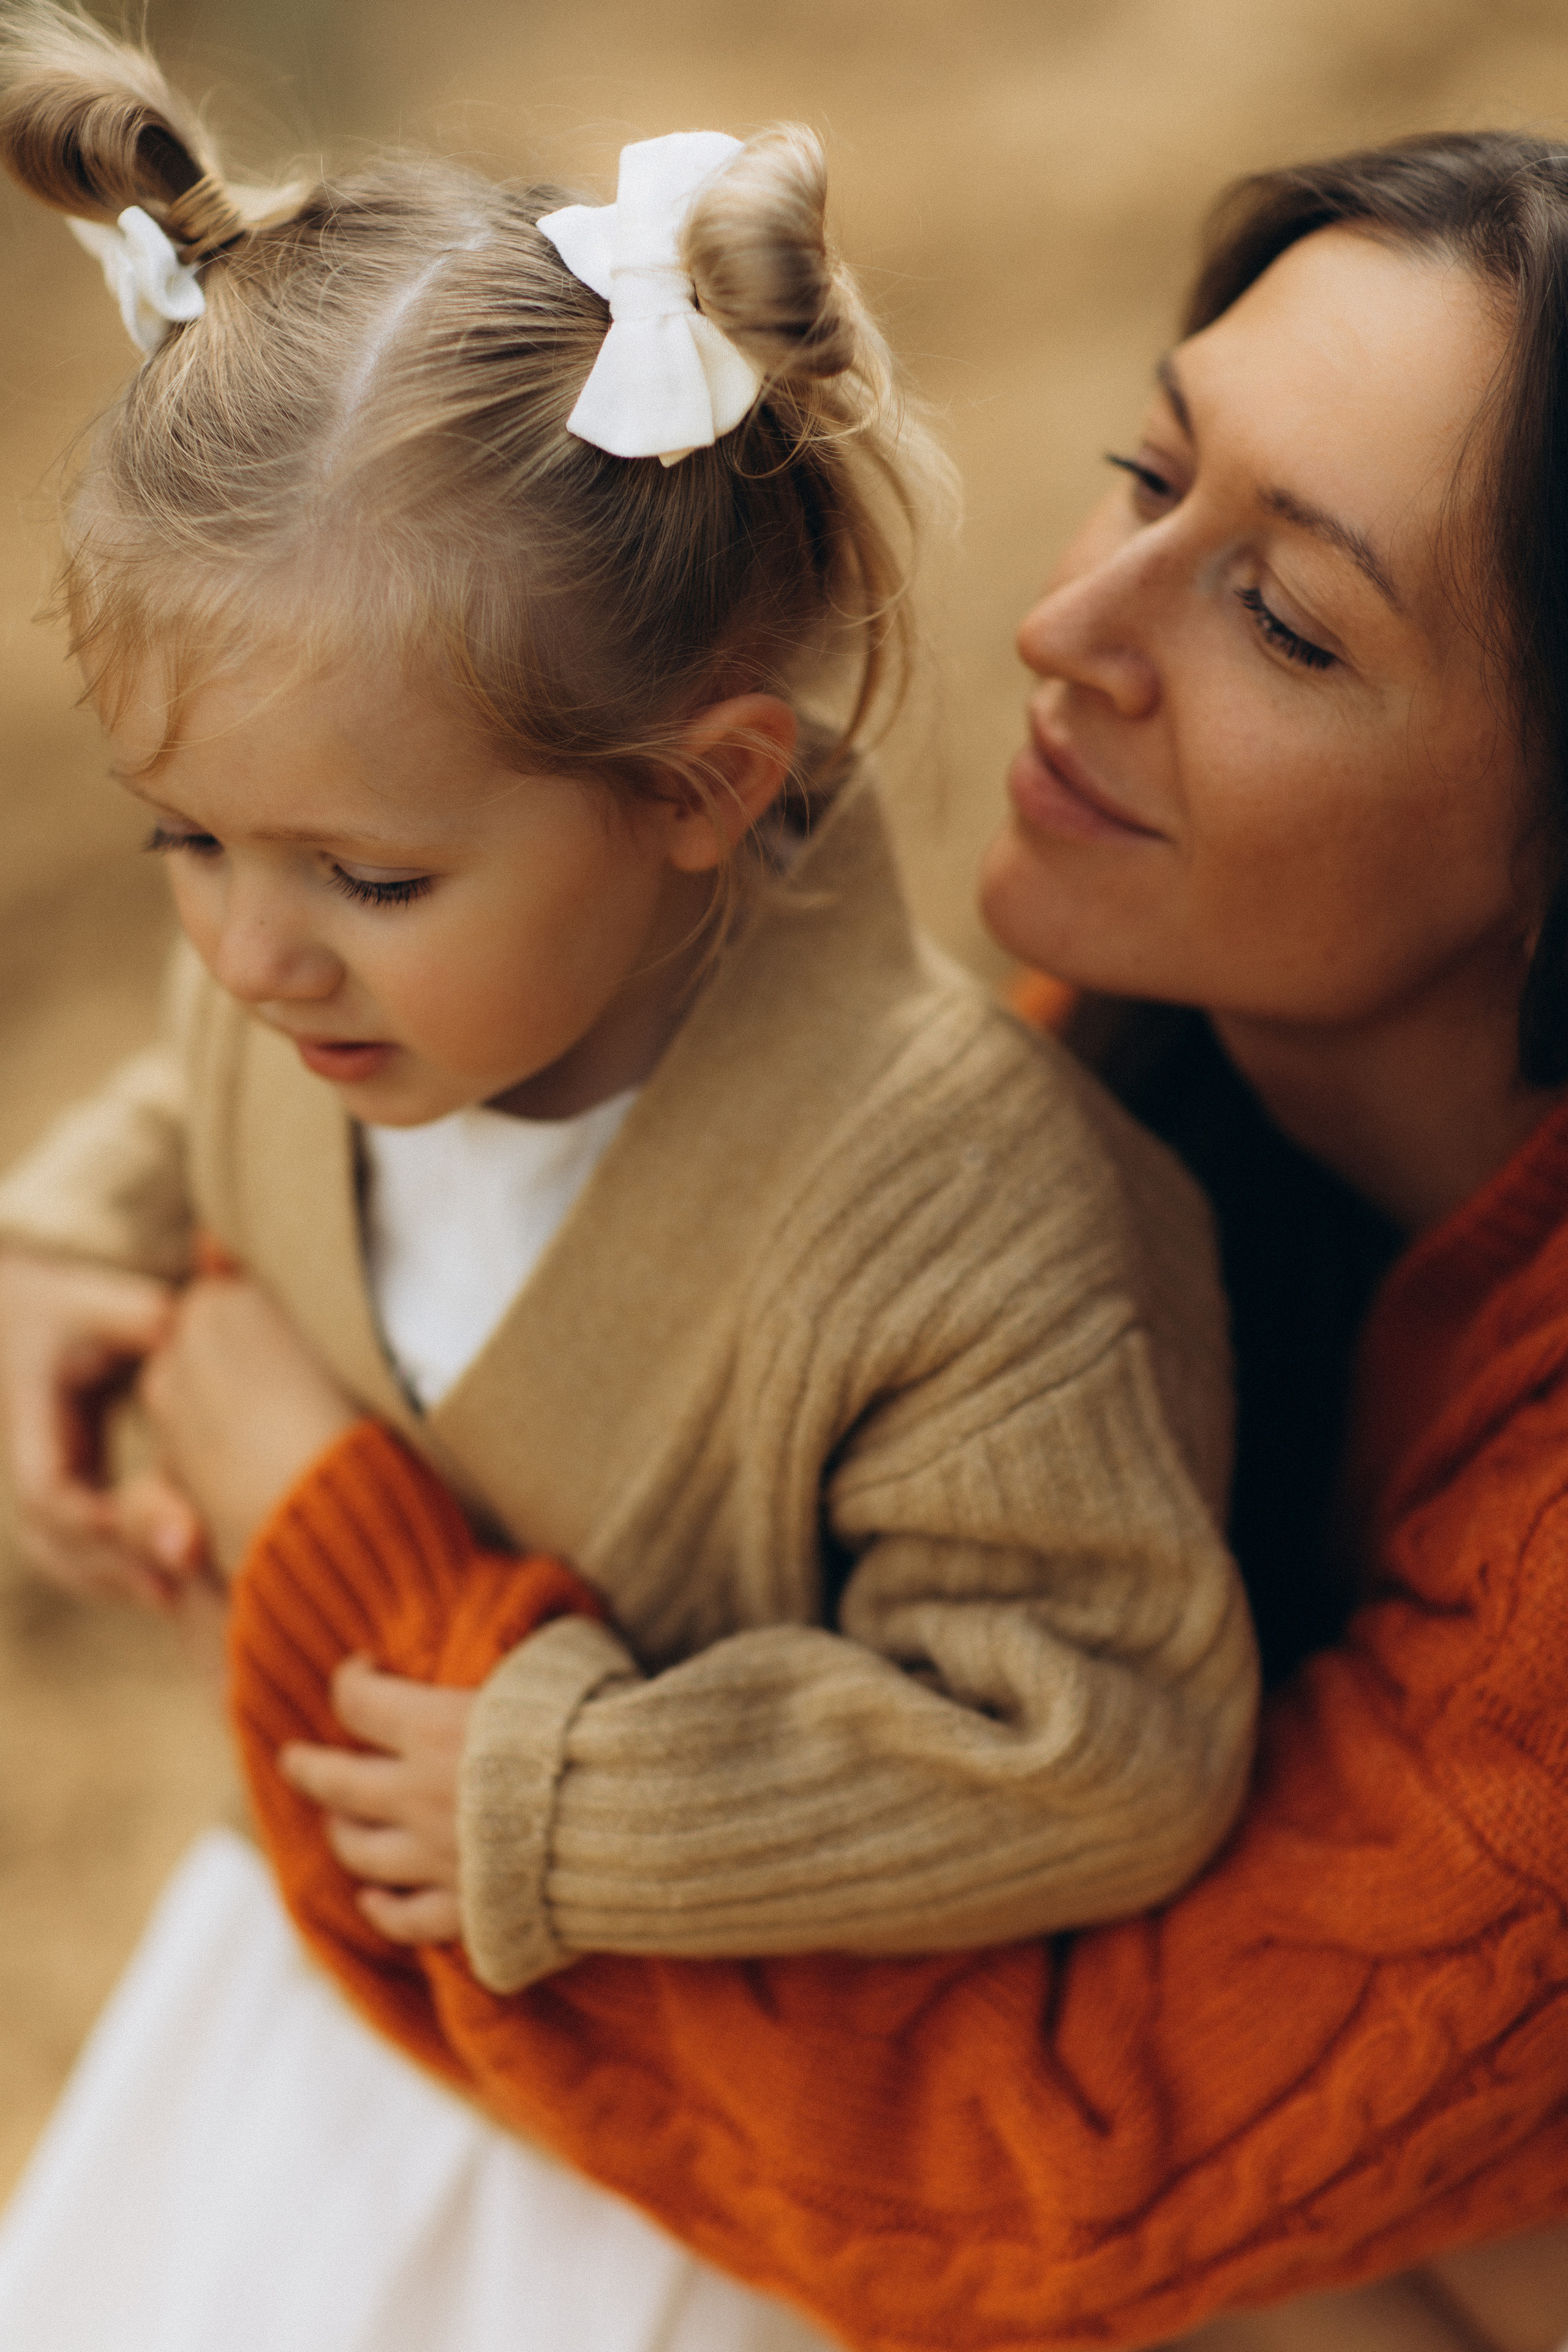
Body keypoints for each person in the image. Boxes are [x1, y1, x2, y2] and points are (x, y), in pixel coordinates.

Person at [113, 129, 1568, 2351]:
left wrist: (329, 1536)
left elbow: (1059, 2167)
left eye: (1281, 615)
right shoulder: (1136, 1057)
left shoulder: (998, 1212)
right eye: (1144, 472)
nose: (1069, 631)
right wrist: (93, 1241)